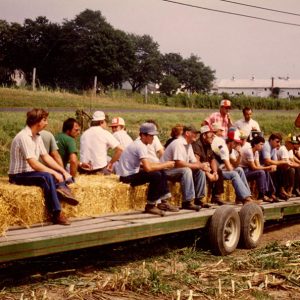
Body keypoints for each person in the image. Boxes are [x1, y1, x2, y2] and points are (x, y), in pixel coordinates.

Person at [8, 108, 78, 226]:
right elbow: (33, 163)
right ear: (37, 121)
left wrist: (62, 172)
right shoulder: (24, 137)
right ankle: (56, 214)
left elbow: (46, 157)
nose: (47, 123)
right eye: (45, 120)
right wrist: (54, 173)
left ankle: (61, 189)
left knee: (58, 175)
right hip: (18, 175)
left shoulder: (37, 136)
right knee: (47, 176)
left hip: (30, 172)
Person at [116, 122, 177, 216]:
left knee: (160, 170)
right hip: (126, 177)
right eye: (151, 135)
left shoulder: (140, 144)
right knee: (156, 175)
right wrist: (165, 164)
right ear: (143, 135)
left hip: (130, 174)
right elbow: (148, 168)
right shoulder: (140, 146)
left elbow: (146, 165)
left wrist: (163, 165)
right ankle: (150, 205)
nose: (153, 138)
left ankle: (163, 202)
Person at [161, 125, 208, 211]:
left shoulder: (189, 145)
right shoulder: (178, 143)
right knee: (186, 171)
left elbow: (194, 161)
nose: (196, 136)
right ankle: (187, 202)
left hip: (176, 170)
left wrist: (203, 166)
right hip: (166, 171)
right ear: (187, 133)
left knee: (200, 171)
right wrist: (198, 165)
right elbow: (179, 163)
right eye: (194, 133)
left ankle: (199, 199)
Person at [213, 127, 258, 204]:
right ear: (230, 141)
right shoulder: (224, 149)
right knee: (234, 173)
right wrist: (231, 167)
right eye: (236, 142)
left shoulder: (231, 149)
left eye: (238, 143)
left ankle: (246, 196)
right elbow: (230, 169)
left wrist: (240, 155)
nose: (237, 144)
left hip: (223, 170)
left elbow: (236, 165)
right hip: (218, 172)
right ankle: (245, 198)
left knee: (240, 169)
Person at [192, 125, 225, 206]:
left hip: (206, 167)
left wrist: (214, 172)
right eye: (211, 134)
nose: (213, 136)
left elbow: (212, 159)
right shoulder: (197, 145)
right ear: (204, 135)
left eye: (214, 134)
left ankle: (216, 196)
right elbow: (196, 162)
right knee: (201, 172)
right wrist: (208, 174)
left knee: (219, 170)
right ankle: (199, 199)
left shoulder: (208, 144)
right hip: (197, 168)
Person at [240, 135, 276, 202]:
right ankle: (261, 195)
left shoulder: (256, 152)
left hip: (248, 169)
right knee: (261, 172)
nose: (262, 146)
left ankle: (269, 193)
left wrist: (267, 168)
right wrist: (268, 167)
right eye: (261, 144)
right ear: (255, 144)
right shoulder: (249, 151)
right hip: (243, 171)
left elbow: (258, 166)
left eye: (263, 145)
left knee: (265, 171)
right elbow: (254, 167)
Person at [260, 133, 294, 200]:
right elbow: (267, 161)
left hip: (267, 165)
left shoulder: (274, 148)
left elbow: (275, 161)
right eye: (277, 141)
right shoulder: (267, 146)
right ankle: (272, 193)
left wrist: (278, 164)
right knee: (276, 168)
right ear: (271, 140)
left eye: (280, 142)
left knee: (282, 168)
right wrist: (283, 162)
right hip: (261, 166)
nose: (278, 144)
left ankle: (280, 190)